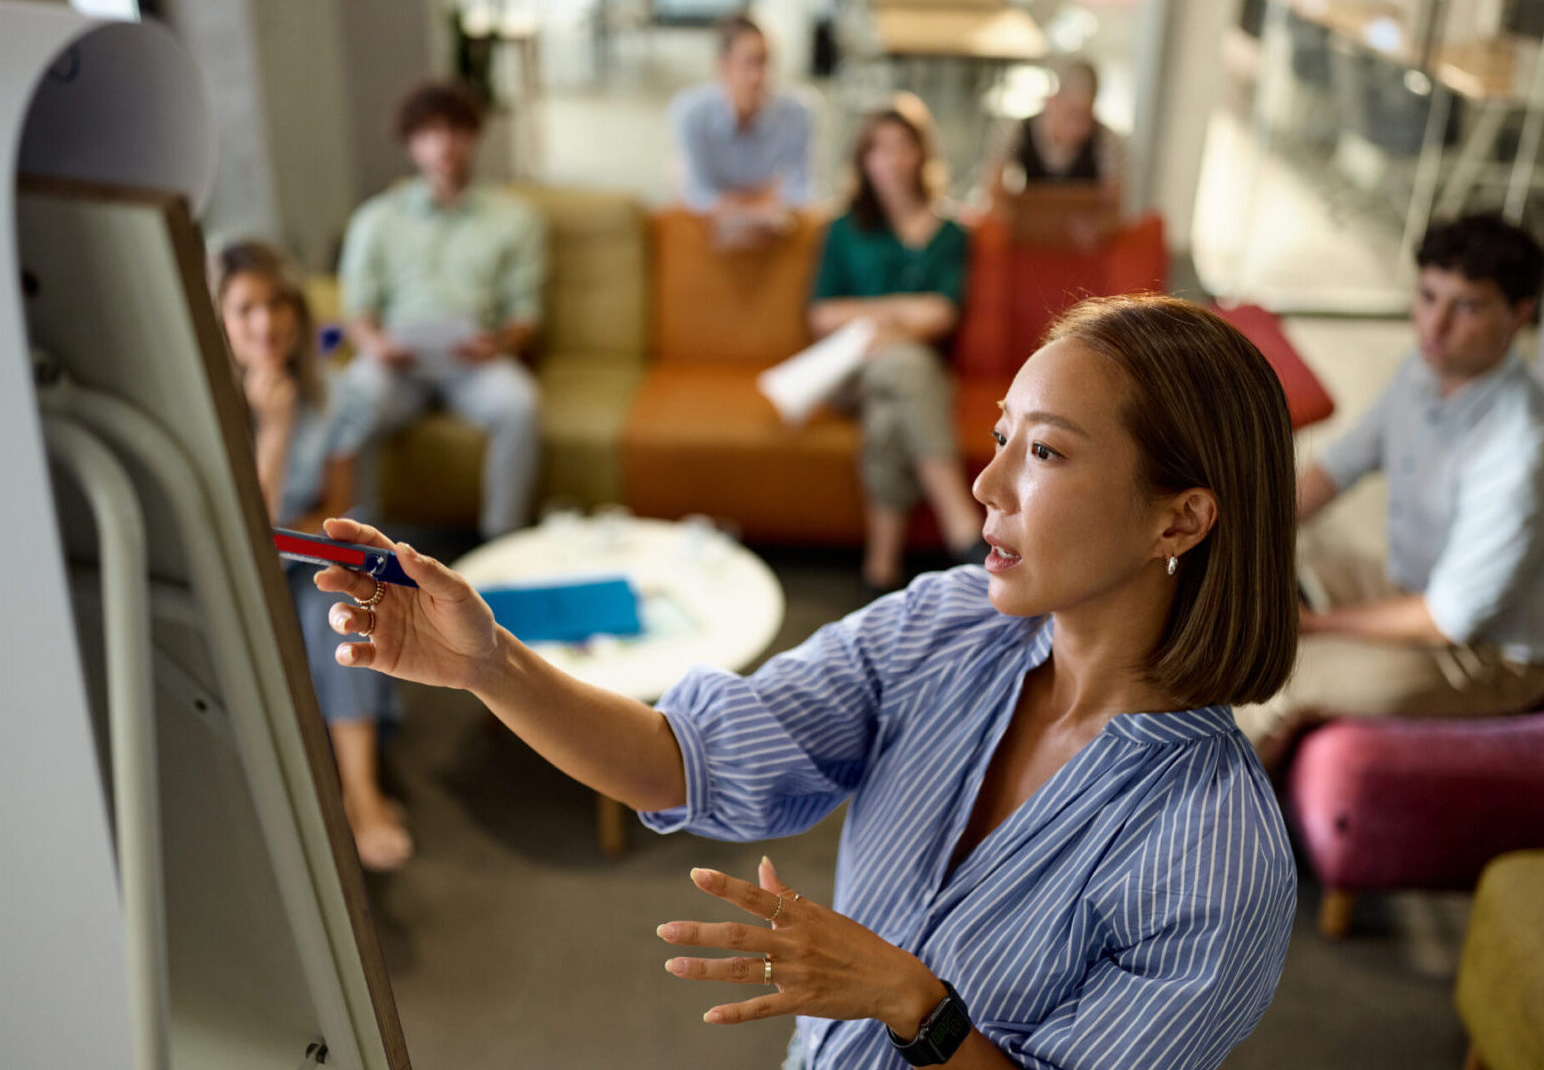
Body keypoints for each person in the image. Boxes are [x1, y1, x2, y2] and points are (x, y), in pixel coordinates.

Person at [314, 294, 1299, 1069]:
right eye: (1000, 436)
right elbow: (682, 760)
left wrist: (908, 1004)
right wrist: (489, 662)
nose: (985, 485)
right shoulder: (945, 625)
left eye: (1042, 452)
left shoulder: (1214, 854)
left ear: (1180, 521)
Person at [1235, 214, 1544, 768]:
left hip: (1487, 653)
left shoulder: (1521, 447)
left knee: (1280, 678)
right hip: (1407, 581)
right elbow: (1339, 466)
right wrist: (1242, 535)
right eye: (1427, 296)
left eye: (1467, 306)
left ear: (1520, 315)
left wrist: (1314, 627)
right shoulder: (1423, 371)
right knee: (1240, 595)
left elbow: (1451, 619)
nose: (1435, 324)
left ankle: (1197, 833)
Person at [213, 241, 411, 872]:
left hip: (302, 555)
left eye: (276, 304)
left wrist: (278, 532)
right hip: (235, 573)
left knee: (338, 594)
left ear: (298, 311)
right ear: (218, 319)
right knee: (300, 583)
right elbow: (241, 549)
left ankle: (362, 795)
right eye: (245, 309)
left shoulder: (333, 399)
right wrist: (272, 432)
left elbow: (337, 520)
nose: (265, 324)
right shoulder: (211, 410)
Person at [334, 79, 545, 541]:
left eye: (455, 130)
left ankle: (502, 541)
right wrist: (375, 344)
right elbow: (356, 310)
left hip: (475, 363)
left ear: (473, 136)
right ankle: (356, 543)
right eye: (429, 132)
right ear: (411, 144)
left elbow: (525, 313)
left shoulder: (515, 218)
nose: (444, 144)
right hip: (397, 365)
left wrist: (500, 343)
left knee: (519, 405)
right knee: (349, 401)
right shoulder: (377, 219)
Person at [808, 94, 982, 591]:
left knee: (892, 409)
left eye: (902, 146)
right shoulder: (843, 229)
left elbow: (944, 313)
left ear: (921, 154)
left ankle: (881, 571)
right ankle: (962, 529)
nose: (891, 160)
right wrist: (900, 313)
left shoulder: (951, 232)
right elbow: (823, 315)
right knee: (906, 368)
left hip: (910, 377)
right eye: (878, 149)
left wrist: (880, 324)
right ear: (863, 160)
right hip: (850, 371)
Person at [669, 13, 813, 248]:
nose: (759, 76)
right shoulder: (690, 112)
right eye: (749, 63)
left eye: (765, 62)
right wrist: (762, 199)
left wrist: (732, 203)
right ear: (723, 66)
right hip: (715, 235)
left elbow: (802, 191)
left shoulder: (799, 112)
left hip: (773, 234)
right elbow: (697, 194)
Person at [988, 58, 1124, 202]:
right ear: (1052, 102)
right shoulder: (1015, 131)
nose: (1081, 128)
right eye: (1074, 115)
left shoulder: (1107, 140)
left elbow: (1112, 205)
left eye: (1087, 118)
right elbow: (994, 191)